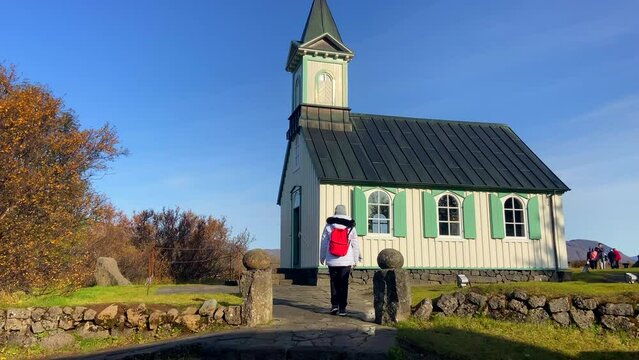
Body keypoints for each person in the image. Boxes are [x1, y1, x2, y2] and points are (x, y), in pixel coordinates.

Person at [320, 204, 360, 316]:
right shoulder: (351, 226)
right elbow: (355, 244)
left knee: (334, 282)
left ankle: (334, 306)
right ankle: (342, 308)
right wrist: (356, 259)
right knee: (344, 283)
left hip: (332, 259)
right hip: (346, 259)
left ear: (335, 212)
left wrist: (322, 257)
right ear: (345, 212)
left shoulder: (329, 225)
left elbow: (323, 242)